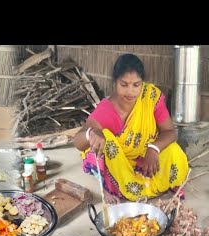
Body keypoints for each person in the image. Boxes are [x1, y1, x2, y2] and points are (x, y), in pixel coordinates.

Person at [74, 53, 189, 204]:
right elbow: (78, 141)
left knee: (174, 151)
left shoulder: (150, 97)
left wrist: (153, 149)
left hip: (147, 159)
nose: (130, 91)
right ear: (115, 82)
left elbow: (170, 132)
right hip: (119, 166)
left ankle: (159, 183)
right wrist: (91, 133)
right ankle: (114, 186)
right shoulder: (107, 110)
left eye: (136, 85)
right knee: (103, 139)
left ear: (142, 83)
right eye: (124, 84)